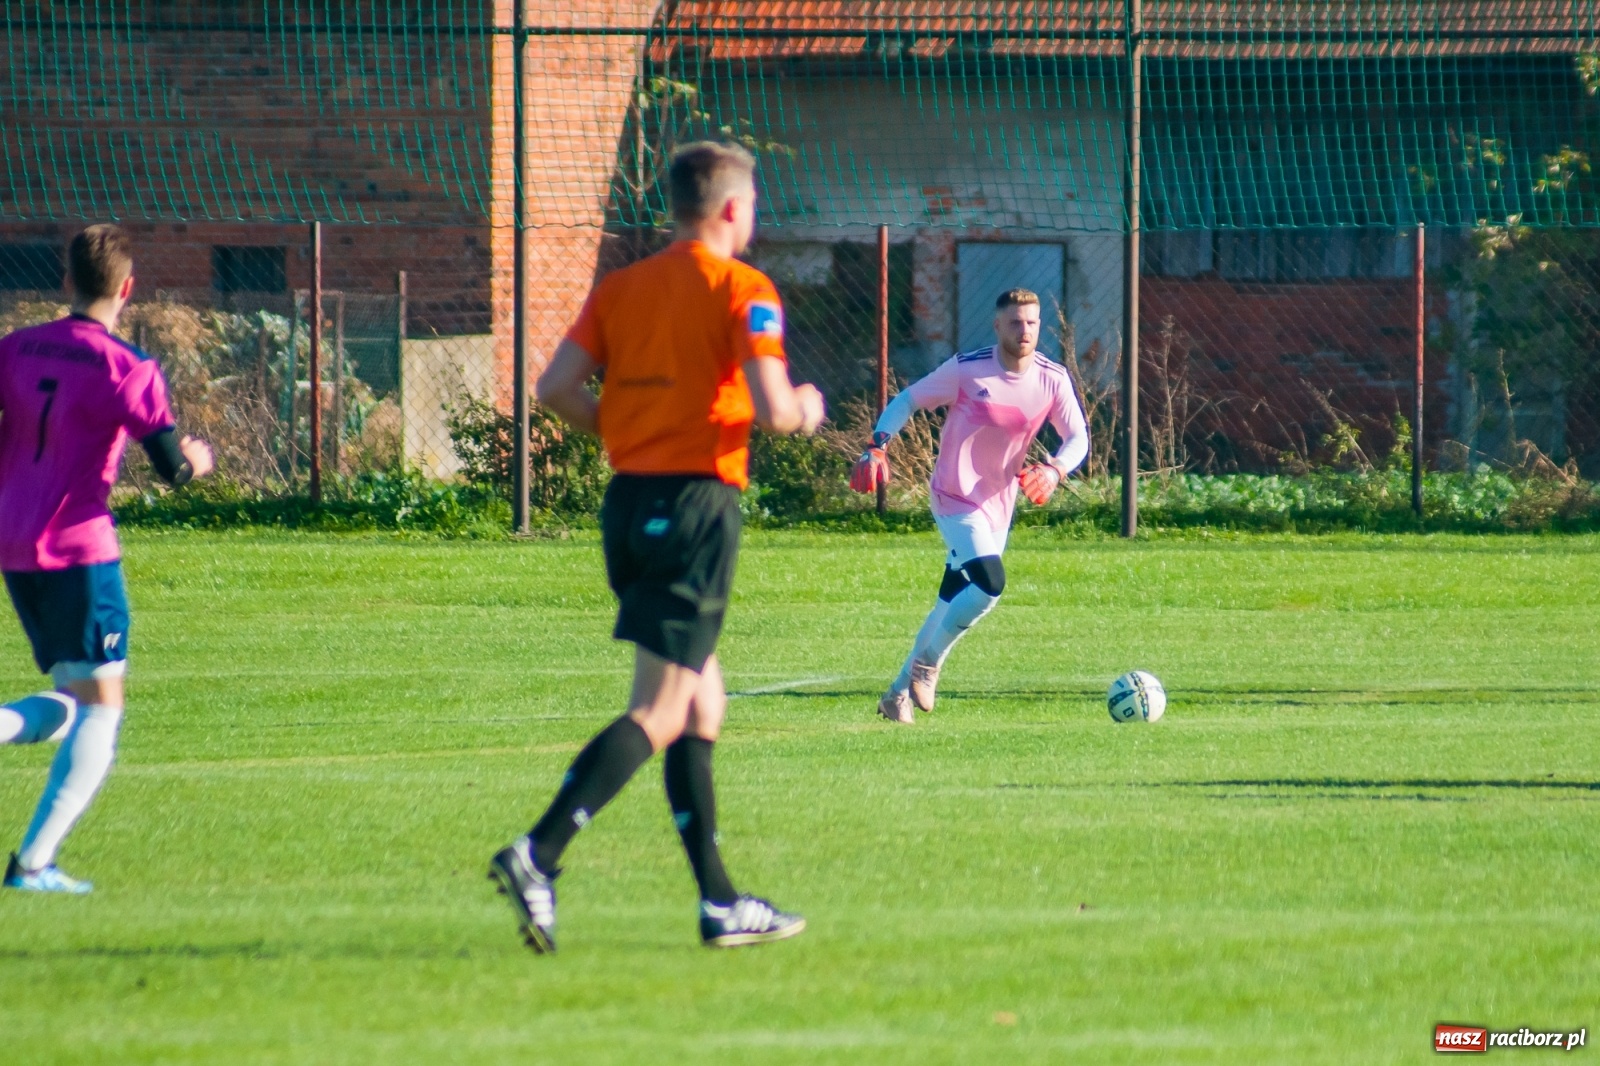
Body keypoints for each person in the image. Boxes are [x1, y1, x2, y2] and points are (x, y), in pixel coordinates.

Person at [488, 142, 825, 953]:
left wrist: (633, 428)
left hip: (628, 500)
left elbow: (554, 389)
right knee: (662, 709)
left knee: (702, 700)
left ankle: (719, 904)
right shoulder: (745, 290)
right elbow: (775, 410)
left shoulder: (623, 287)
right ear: (735, 209)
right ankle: (539, 852)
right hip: (697, 504)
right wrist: (810, 408)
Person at [0, 224, 214, 893]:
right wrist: (198, 464)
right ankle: (33, 865)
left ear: (67, 281)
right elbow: (171, 466)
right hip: (79, 551)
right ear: (128, 288)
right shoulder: (129, 368)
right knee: (102, 708)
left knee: (75, 697)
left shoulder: (14, 349)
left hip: (14, 544)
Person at [851, 289, 1089, 724]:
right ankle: (929, 663)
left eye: (1032, 323)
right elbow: (908, 400)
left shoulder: (1051, 378)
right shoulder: (968, 369)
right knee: (990, 584)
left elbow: (1078, 439)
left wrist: (1054, 471)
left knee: (949, 603)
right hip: (954, 495)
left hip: (998, 503)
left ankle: (895, 696)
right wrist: (877, 447)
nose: (1024, 331)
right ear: (997, 326)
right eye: (1015, 323)